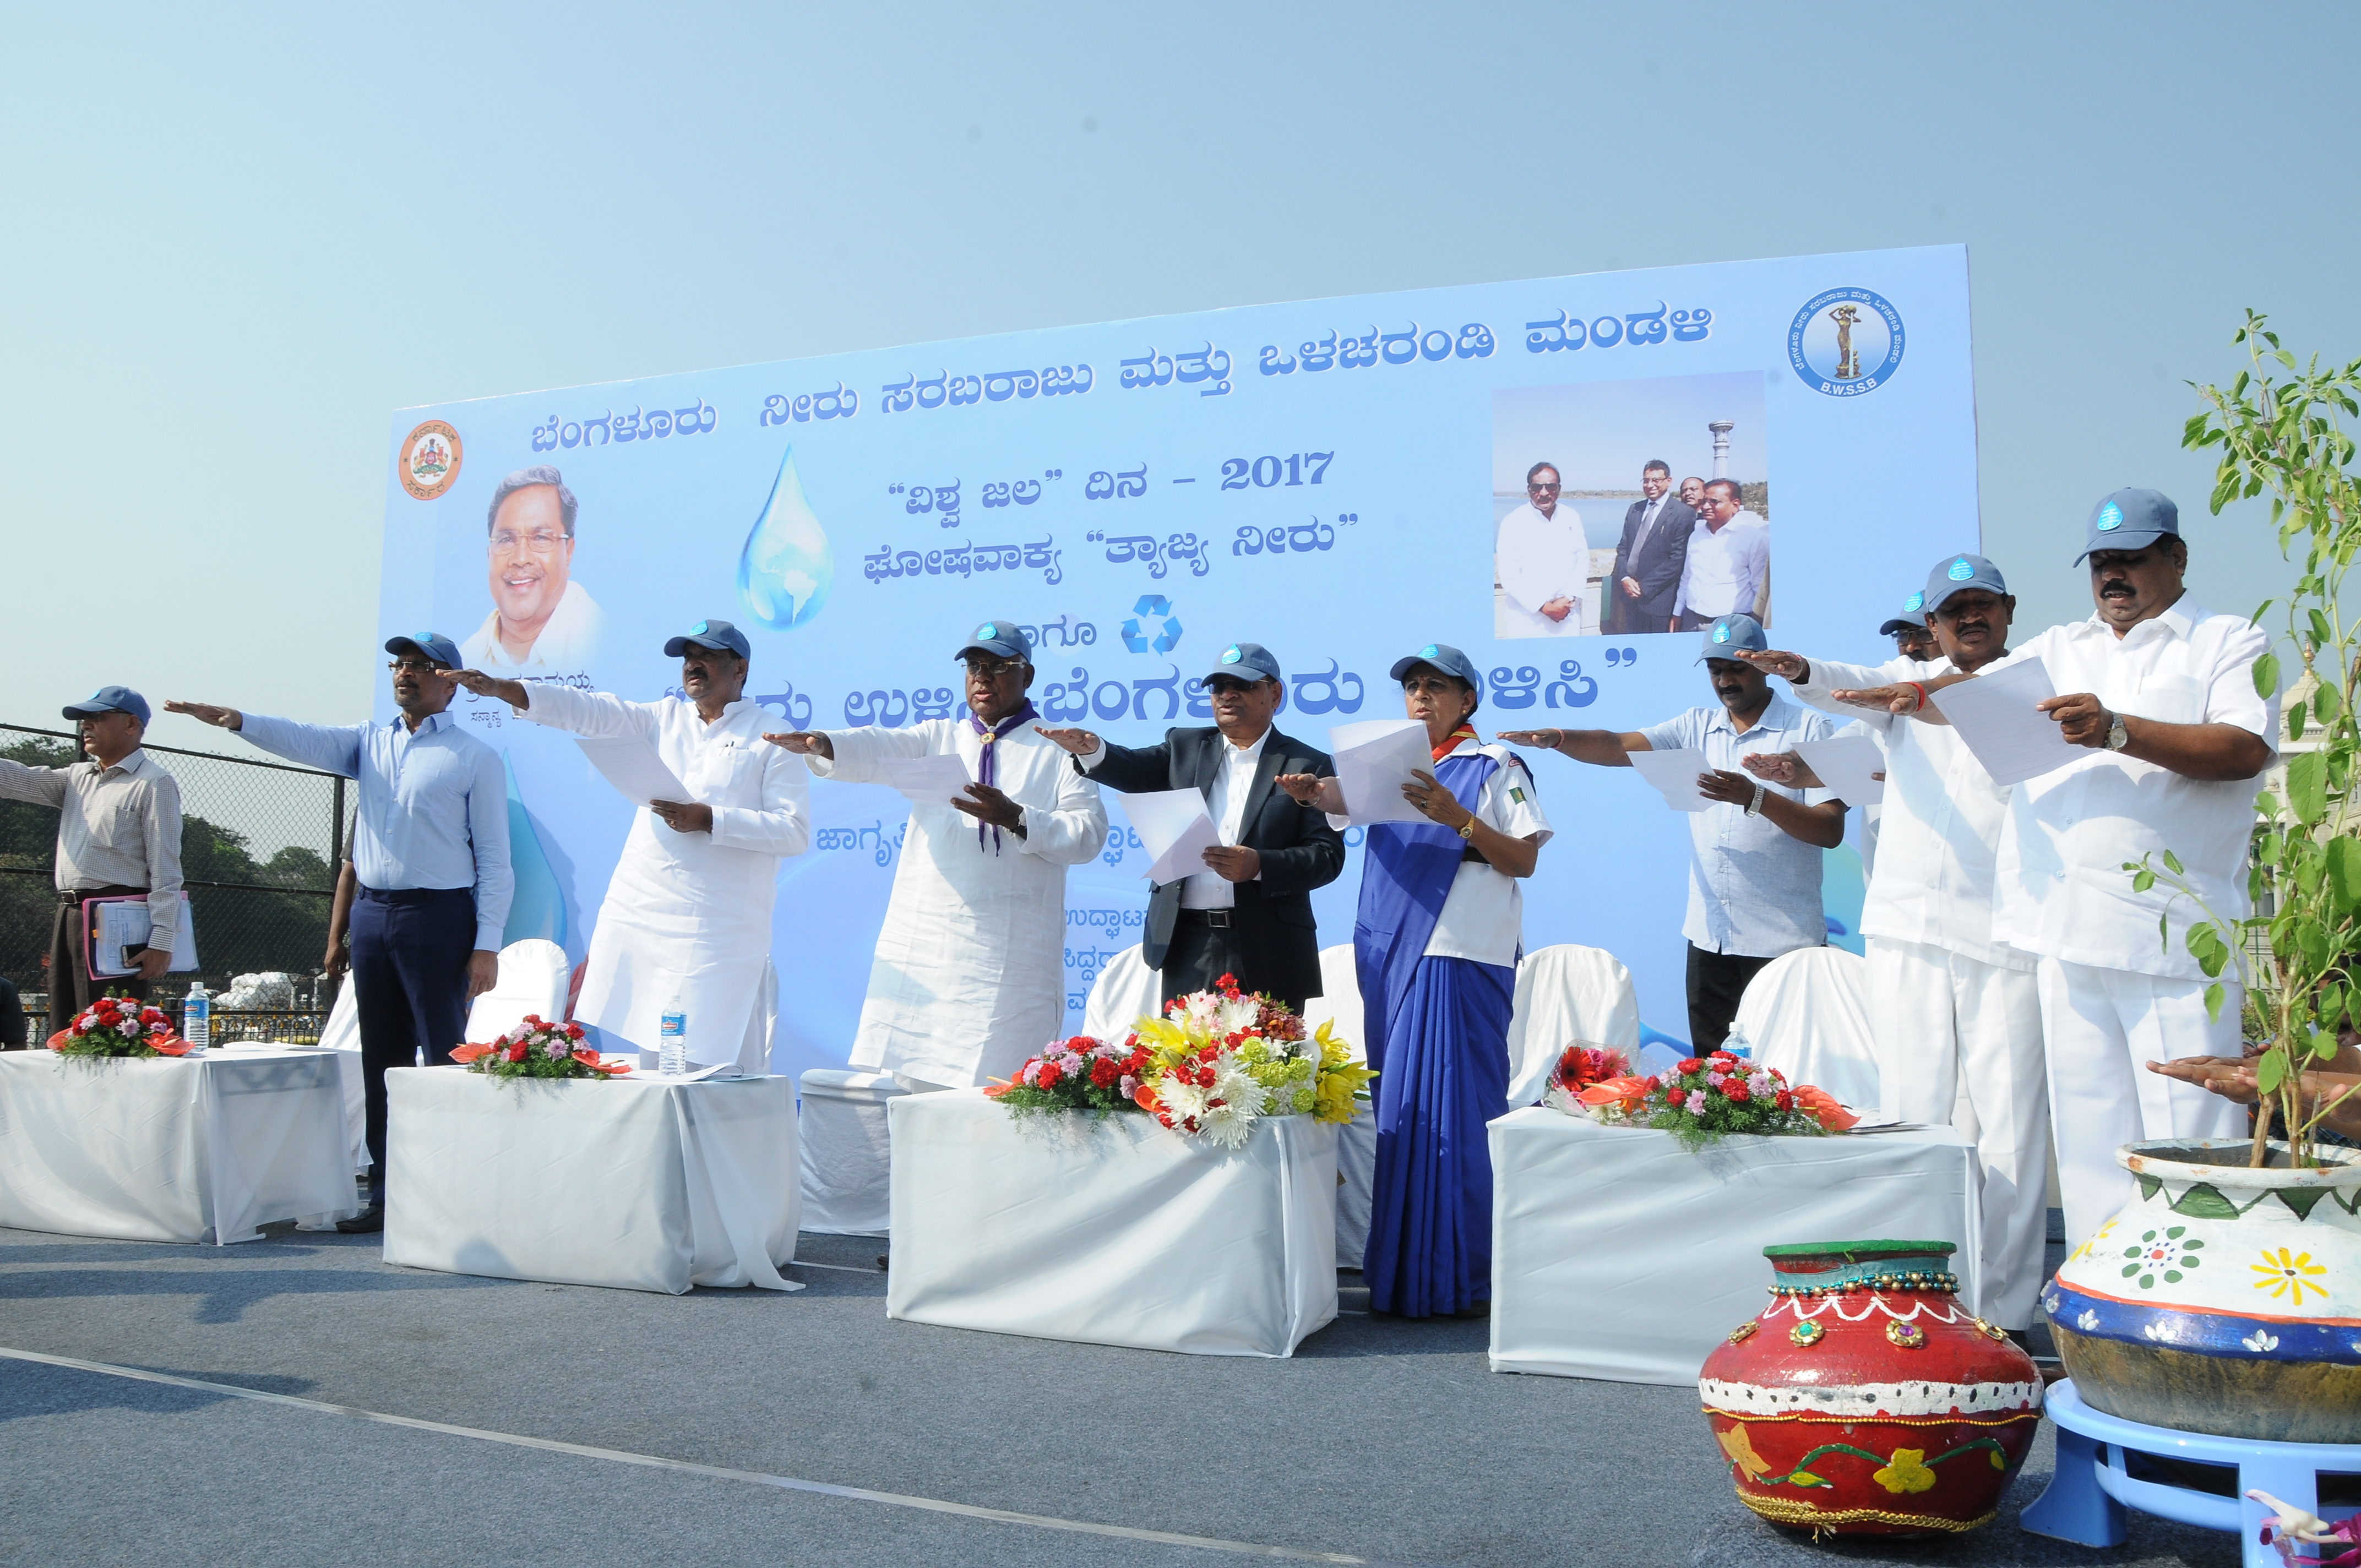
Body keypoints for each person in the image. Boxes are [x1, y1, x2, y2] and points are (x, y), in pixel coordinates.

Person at [1821, 491, 2276, 1249]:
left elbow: (2244, 750)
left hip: (2173, 940)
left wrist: (2118, 730)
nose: (2113, 575)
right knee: (2092, 1152)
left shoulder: (2227, 640)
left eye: (2131, 558)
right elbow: (1980, 696)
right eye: (2101, 562)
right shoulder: (2065, 646)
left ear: (2177, 558)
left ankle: (2187, 1306)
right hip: (2064, 935)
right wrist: (1918, 695)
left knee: (2189, 1148)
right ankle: (2098, 1308)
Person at [1734, 554, 2048, 1336]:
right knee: (1912, 1114)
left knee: (2009, 1127)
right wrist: (1802, 671)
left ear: (2008, 610)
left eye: (1982, 604)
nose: (1969, 617)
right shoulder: (1901, 687)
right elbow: (1850, 683)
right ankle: (1915, 1300)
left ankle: (2004, 1312)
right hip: (1908, 926)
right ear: (1933, 625)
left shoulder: (2038, 682)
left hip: (2003, 929)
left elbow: (1946, 706)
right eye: (1953, 609)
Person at [168, 634, 513, 1232]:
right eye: (399, 664)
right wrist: (238, 721)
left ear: (451, 681)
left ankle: (451, 1192)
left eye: (420, 665)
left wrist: (487, 945)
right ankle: (386, 1194)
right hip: (373, 917)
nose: (405, 673)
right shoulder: (367, 742)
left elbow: (495, 860)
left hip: (438, 918)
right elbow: (302, 737)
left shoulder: (474, 756)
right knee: (382, 1059)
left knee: (442, 1056)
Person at [1277, 644, 1548, 1319]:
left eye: (1437, 685)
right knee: (1403, 1110)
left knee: (1457, 1111)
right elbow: (1345, 799)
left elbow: (1522, 859)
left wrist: (1459, 818)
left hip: (1459, 951)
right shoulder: (1387, 764)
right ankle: (1406, 1276)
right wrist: (1315, 793)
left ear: (1468, 699)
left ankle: (1465, 1277)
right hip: (1390, 948)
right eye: (1412, 686)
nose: (1421, 695)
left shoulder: (1496, 765)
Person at [453, 619, 810, 1077]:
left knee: (716, 1066)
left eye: (707, 656)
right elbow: (588, 710)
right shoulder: (661, 718)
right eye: (688, 658)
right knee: (659, 1063)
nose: (693, 665)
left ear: (739, 668)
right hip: (650, 915)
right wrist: (507, 690)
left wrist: (710, 819)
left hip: (718, 928)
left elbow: (793, 831)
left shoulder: (771, 735)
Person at [767, 619, 1106, 1091]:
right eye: (974, 666)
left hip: (1007, 959)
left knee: (995, 1096)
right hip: (929, 948)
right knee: (915, 1096)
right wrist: (825, 744)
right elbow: (878, 747)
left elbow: (1088, 835)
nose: (982, 676)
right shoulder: (938, 737)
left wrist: (1018, 818)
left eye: (998, 666)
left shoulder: (1057, 750)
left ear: (1027, 675)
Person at [1500, 615, 1846, 1049]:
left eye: (1736, 668)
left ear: (1764, 666)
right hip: (1710, 938)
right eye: (1715, 670)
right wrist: (1560, 738)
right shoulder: (1695, 726)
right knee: (1710, 1077)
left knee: (1785, 1071)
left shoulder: (1811, 729)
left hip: (1784, 943)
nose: (1725, 681)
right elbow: (1619, 746)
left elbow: (1829, 829)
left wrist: (1755, 797)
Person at [1038, 641, 1345, 1014]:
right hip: (1187, 944)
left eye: (1242, 685)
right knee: (1184, 1053)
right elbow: (1133, 769)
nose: (1227, 695)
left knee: (1264, 1053)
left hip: (1270, 948)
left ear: (1275, 693)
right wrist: (1092, 749)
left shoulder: (1308, 764)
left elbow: (1326, 857)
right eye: (1219, 687)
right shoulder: (1185, 746)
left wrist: (1259, 865)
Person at [0, 688, 183, 1043]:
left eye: (97, 717)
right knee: (66, 1027)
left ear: (131, 724)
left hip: (118, 918)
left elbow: (166, 866)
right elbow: (15, 778)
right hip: (69, 914)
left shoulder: (154, 783)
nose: (86, 725)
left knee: (108, 1033)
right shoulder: (76, 777)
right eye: (84, 719)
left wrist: (162, 940)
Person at [458, 466, 603, 677]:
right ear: (489, 554)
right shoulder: (466, 659)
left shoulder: (602, 639)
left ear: (569, 552)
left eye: (540, 538)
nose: (520, 559)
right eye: (506, 540)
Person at [1494, 462, 1590, 639]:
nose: (1544, 493)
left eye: (1551, 487)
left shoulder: (1571, 517)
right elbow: (1509, 576)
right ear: (1529, 489)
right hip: (1527, 621)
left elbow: (1582, 560)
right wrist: (1545, 607)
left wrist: (1570, 597)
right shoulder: (1513, 522)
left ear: (1559, 489)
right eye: (1537, 487)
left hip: (1567, 616)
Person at [1607, 460, 1696, 636]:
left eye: (1656, 480)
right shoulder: (1635, 509)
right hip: (1629, 597)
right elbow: (1623, 547)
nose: (1650, 485)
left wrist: (1644, 587)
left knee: (1657, 647)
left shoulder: (1682, 513)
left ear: (1669, 481)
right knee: (1634, 644)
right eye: (1646, 481)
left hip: (1658, 601)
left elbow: (1677, 560)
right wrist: (1625, 577)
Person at [1672, 480, 1770, 633]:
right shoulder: (1696, 535)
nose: (1706, 507)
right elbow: (1687, 577)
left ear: (1735, 505)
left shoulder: (1754, 539)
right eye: (1704, 501)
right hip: (1691, 621)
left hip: (1731, 625)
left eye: (1714, 502)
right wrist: (1677, 613)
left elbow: (1760, 588)